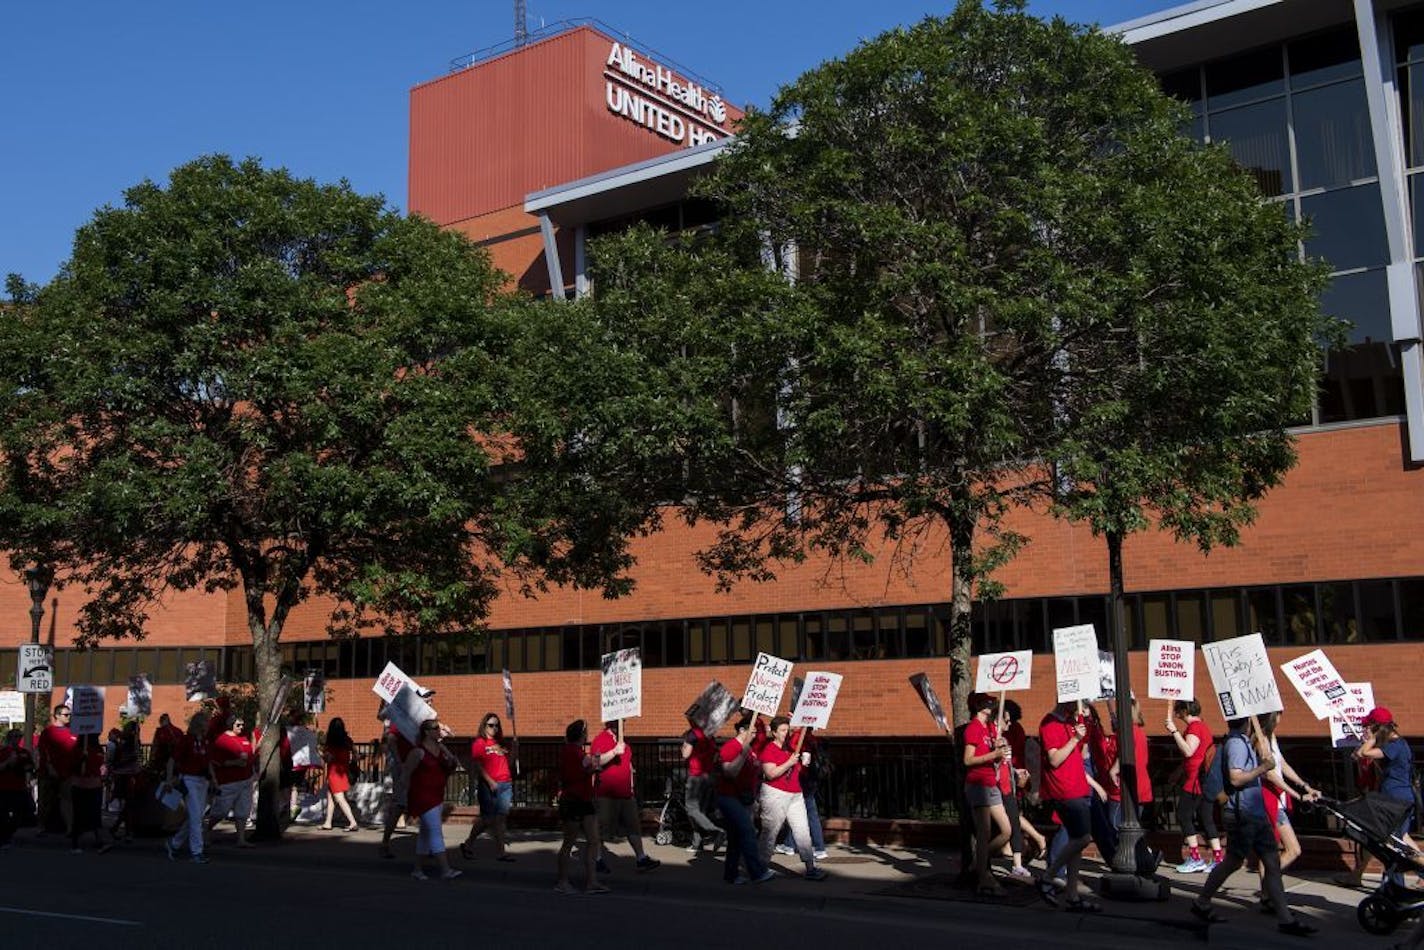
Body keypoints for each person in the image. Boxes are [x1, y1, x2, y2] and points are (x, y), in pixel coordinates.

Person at [1189, 718, 1317, 937]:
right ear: (1246, 720)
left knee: (1272, 862)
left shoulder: (1245, 741)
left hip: (1254, 812)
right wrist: (1263, 768)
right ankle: (1202, 901)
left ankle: (1285, 919)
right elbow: (1236, 778)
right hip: (1242, 813)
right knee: (1233, 862)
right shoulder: (1236, 744)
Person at [1338, 707, 1416, 889]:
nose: (1368, 728)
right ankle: (1392, 886)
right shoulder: (1392, 744)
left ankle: (1394, 887)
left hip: (1396, 801)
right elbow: (1359, 755)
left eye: (1371, 725)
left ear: (1379, 727)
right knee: (1394, 841)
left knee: (1391, 844)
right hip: (1394, 799)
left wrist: (1371, 739)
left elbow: (1364, 753)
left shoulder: (1395, 745)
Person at [1038, 701, 1098, 912]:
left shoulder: (1072, 722)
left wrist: (1081, 731)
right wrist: (1074, 739)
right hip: (1064, 790)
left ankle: (1072, 895)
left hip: (1077, 786)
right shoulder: (1050, 724)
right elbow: (1054, 759)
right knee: (1083, 838)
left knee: (1076, 843)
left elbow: (1081, 754)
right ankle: (1049, 876)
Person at [757, 715, 826, 880]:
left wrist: (802, 762)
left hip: (795, 793)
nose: (785, 733)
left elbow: (796, 767)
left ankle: (810, 867)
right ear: (774, 732)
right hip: (775, 794)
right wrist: (789, 762)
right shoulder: (769, 749)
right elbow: (770, 773)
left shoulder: (790, 748)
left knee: (802, 830)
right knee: (770, 832)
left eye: (787, 730)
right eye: (782, 730)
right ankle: (760, 868)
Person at [590, 721, 660, 874]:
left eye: (624, 721)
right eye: (619, 721)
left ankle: (641, 858)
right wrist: (614, 752)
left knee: (633, 827)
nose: (623, 724)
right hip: (606, 794)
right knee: (601, 829)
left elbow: (628, 766)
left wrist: (632, 786)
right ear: (611, 722)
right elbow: (595, 763)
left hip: (626, 794)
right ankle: (597, 860)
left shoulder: (624, 743)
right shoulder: (600, 739)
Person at [400, 717, 461, 881]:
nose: (438, 731)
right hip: (423, 796)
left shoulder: (440, 749)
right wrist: (405, 796)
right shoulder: (418, 751)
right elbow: (406, 774)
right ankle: (445, 869)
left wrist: (449, 756)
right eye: (435, 728)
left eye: (438, 728)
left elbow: (451, 766)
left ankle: (417, 869)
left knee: (425, 834)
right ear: (426, 732)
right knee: (435, 831)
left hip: (437, 794)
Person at [963, 694, 1012, 895]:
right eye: (987, 703)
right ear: (978, 707)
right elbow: (968, 760)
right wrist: (994, 754)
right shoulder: (973, 728)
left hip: (991, 783)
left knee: (1006, 830)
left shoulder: (991, 728)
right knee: (984, 832)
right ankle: (983, 877)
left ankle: (978, 863)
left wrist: (1000, 748)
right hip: (978, 783)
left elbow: (997, 757)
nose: (991, 706)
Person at [1105, 695, 1159, 875]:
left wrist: (1113, 769)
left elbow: (1125, 754)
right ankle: (1147, 860)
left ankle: (1137, 860)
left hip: (1127, 787)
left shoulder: (1129, 732)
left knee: (1116, 826)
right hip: (1140, 786)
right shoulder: (1138, 731)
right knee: (1134, 829)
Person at [718, 713, 774, 884]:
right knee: (748, 832)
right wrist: (743, 754)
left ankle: (731, 875)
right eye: (754, 732)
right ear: (742, 730)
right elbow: (729, 772)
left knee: (736, 837)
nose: (756, 735)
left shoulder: (749, 749)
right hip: (729, 797)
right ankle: (757, 872)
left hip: (742, 798)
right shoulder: (731, 747)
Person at [1168, 699, 1221, 872]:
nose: (1176, 712)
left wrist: (1174, 731)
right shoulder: (1202, 726)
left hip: (1195, 781)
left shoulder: (1195, 728)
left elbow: (1189, 751)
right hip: (1201, 779)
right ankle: (1218, 858)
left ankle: (1195, 857)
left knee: (1184, 815)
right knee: (1206, 818)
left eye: (1178, 709)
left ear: (1184, 710)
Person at [460, 712, 516, 861]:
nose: (494, 728)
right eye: (491, 725)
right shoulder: (479, 743)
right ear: (484, 726)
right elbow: (478, 765)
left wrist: (515, 750)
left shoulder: (501, 744)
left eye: (497, 725)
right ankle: (468, 843)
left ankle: (501, 852)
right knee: (487, 819)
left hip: (505, 784)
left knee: (501, 819)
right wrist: (490, 781)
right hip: (489, 785)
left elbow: (508, 764)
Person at [166, 711, 216, 863]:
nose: (208, 725)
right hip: (189, 780)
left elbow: (208, 763)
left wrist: (214, 780)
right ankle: (196, 851)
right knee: (196, 817)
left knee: (197, 816)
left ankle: (174, 843)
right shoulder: (186, 740)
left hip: (203, 781)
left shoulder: (205, 741)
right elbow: (172, 760)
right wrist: (169, 779)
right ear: (200, 724)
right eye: (206, 722)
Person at [208, 715, 256, 848]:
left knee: (243, 811)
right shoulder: (222, 740)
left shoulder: (244, 738)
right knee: (220, 811)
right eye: (238, 725)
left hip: (246, 780)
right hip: (228, 781)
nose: (241, 727)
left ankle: (241, 839)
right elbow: (214, 761)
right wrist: (234, 762)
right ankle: (206, 831)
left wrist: (253, 772)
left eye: (242, 725)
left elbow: (250, 756)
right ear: (231, 725)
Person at [680, 715, 723, 854]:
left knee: (691, 809)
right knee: (700, 812)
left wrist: (684, 745)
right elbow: (716, 754)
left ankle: (716, 832)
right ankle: (697, 843)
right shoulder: (709, 734)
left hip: (696, 776)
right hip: (708, 776)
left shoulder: (692, 734)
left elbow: (686, 754)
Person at [67, 733, 112, 854]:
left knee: (95, 815)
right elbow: (72, 767)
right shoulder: (78, 750)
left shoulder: (98, 750)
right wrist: (81, 759)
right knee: (79, 815)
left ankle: (99, 842)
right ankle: (75, 843)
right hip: (80, 785)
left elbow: (101, 765)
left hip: (95, 785)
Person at [36, 703, 76, 835]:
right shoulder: (48, 732)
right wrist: (50, 767)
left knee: (67, 800)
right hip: (48, 773)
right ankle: (41, 826)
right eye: (66, 714)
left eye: (70, 714)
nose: (68, 717)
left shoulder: (73, 732)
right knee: (45, 800)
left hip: (67, 773)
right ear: (57, 716)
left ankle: (70, 828)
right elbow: (44, 752)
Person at [378, 713, 411, 858]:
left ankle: (430, 847)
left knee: (425, 806)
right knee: (400, 805)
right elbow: (390, 739)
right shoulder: (400, 719)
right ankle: (385, 842)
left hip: (416, 765)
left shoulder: (423, 720)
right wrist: (399, 761)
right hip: (403, 767)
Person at [319, 717, 359, 832]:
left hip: (334, 772)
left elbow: (329, 758)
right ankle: (328, 822)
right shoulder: (347, 740)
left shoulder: (331, 743)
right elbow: (355, 752)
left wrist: (320, 753)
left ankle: (352, 822)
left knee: (339, 798)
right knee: (331, 797)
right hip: (343, 771)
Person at [0, 728, 36, 850]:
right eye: (14, 737)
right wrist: (8, 762)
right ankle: (4, 838)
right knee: (4, 815)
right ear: (9, 738)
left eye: (19, 737)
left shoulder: (24, 752)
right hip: (4, 787)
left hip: (19, 787)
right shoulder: (2, 752)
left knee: (20, 814)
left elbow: (29, 768)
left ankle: (9, 834)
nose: (17, 739)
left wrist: (29, 780)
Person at [108, 720, 142, 841]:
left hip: (128, 774)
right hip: (125, 776)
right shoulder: (125, 742)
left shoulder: (131, 741)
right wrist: (133, 757)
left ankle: (118, 828)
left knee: (129, 804)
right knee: (128, 804)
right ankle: (127, 831)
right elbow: (120, 760)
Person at [150, 713, 183, 777]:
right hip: (175, 759)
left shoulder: (160, 731)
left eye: (160, 720)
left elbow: (155, 744)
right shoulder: (178, 730)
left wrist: (152, 757)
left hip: (162, 759)